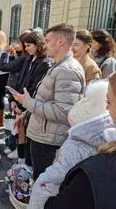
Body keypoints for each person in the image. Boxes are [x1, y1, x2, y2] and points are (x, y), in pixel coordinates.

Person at [12, 24, 85, 180]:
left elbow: (63, 112)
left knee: (44, 184)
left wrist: (27, 103)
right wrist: (26, 114)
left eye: (48, 40)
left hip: (49, 141)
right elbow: (46, 99)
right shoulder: (58, 66)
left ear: (61, 42)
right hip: (42, 136)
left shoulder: (67, 70)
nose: (44, 44)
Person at [28, 80, 114, 209]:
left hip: (50, 138)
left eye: (109, 102)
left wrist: (28, 103)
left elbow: (61, 110)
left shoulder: (93, 167)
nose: (107, 108)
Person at [1, 30, 52, 165]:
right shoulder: (28, 58)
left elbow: (36, 87)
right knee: (20, 131)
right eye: (25, 45)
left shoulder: (44, 63)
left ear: (38, 44)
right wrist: (13, 100)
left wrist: (23, 103)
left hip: (30, 104)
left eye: (29, 45)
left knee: (26, 134)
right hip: (21, 102)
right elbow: (20, 81)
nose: (26, 48)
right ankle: (21, 159)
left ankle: (24, 161)